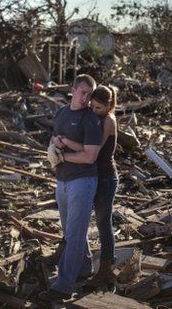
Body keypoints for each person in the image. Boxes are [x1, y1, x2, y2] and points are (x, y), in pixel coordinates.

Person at [39, 74, 103, 302]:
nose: (86, 98)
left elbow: (90, 156)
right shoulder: (62, 112)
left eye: (90, 94)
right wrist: (54, 146)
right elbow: (55, 136)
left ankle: (63, 286)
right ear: (73, 90)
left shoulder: (90, 120)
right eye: (83, 93)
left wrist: (63, 154)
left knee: (74, 235)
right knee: (70, 231)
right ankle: (85, 267)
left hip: (82, 182)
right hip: (63, 180)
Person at [57, 85, 119, 289]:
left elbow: (92, 149)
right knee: (78, 219)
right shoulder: (95, 118)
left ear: (109, 106)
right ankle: (81, 260)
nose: (94, 111)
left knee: (103, 222)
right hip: (91, 175)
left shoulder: (108, 120)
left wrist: (66, 145)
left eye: (99, 108)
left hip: (105, 178)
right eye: (92, 106)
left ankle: (106, 268)